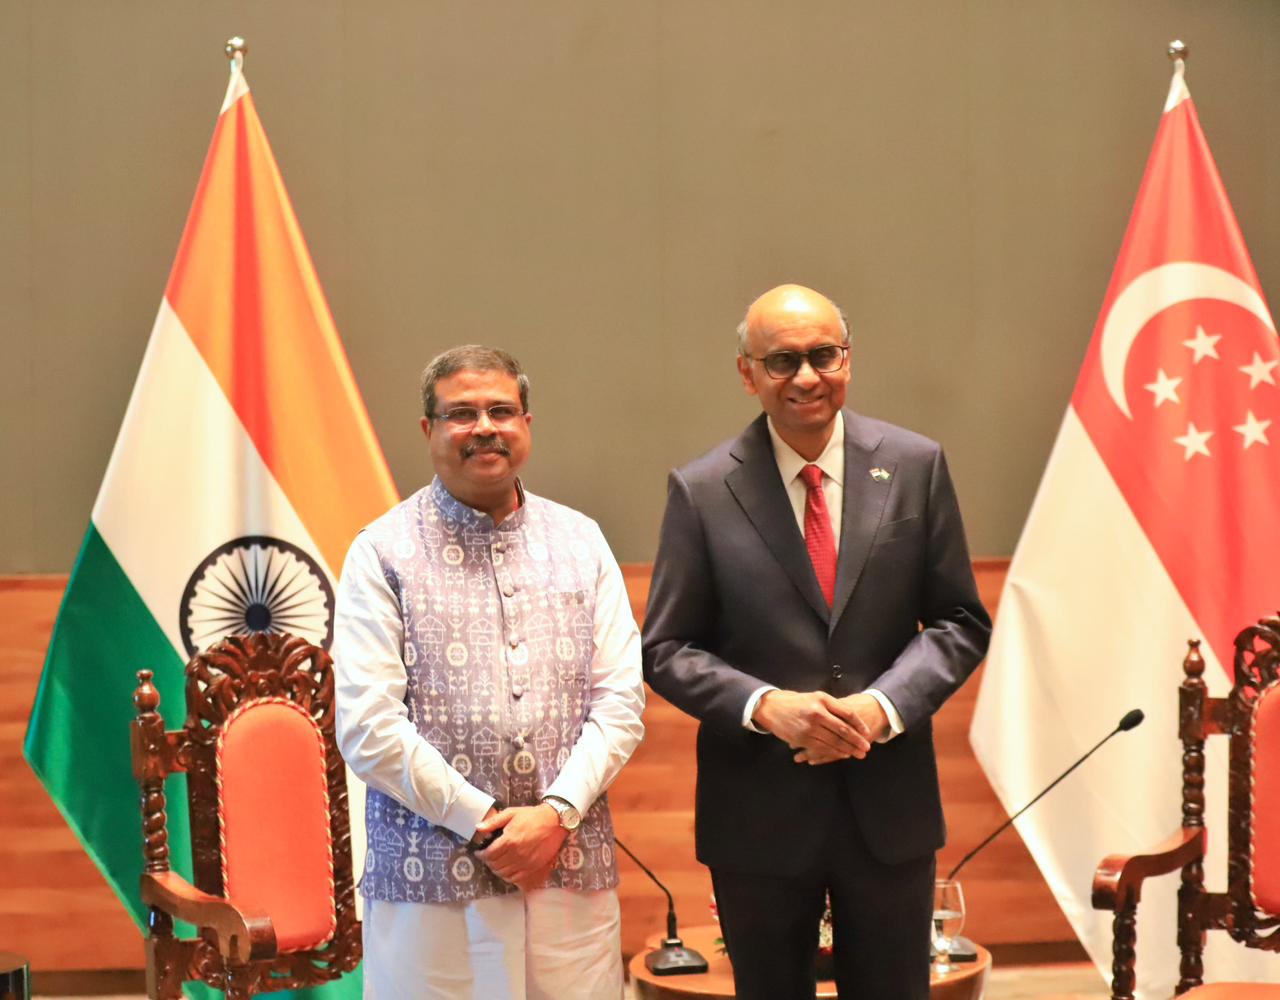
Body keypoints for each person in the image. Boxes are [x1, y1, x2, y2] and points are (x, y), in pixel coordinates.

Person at [642, 284, 991, 1000]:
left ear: (847, 360)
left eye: (823, 355)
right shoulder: (702, 489)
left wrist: (881, 708)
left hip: (888, 807)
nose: (806, 376)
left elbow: (960, 620)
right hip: (758, 813)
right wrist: (767, 707)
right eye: (782, 361)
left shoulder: (915, 465)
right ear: (748, 373)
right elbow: (667, 647)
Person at [334, 345, 645, 1000]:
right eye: (461, 413)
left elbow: (620, 703)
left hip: (567, 866)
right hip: (430, 881)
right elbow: (368, 727)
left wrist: (555, 817)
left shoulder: (581, 540)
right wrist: (484, 821)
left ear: (526, 423)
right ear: (429, 430)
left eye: (501, 411)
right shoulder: (382, 551)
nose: (484, 427)